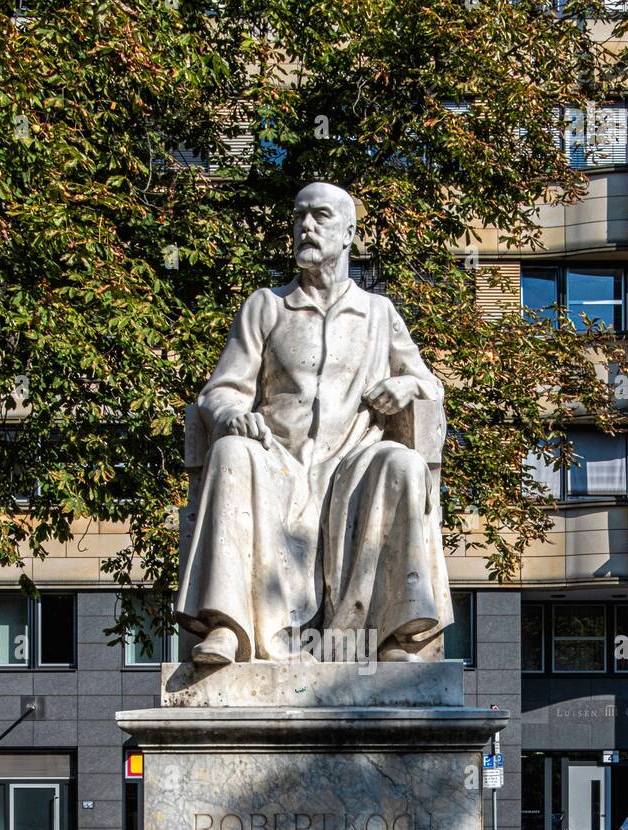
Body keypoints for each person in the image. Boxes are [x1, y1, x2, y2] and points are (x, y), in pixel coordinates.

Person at [176, 181, 454, 665]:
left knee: (403, 465)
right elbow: (219, 390)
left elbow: (431, 388)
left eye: (320, 216)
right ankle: (229, 627)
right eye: (299, 216)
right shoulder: (266, 306)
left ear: (348, 232)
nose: (306, 226)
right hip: (275, 463)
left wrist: (406, 387)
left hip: (353, 465)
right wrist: (233, 415)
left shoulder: (377, 313)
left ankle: (391, 636)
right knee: (230, 452)